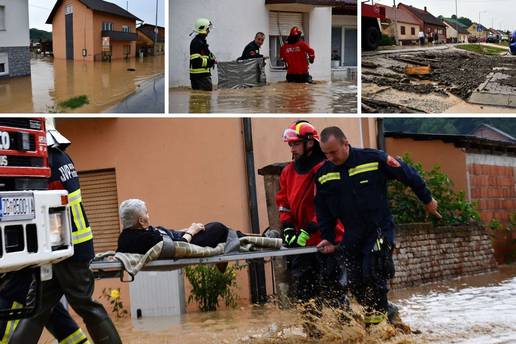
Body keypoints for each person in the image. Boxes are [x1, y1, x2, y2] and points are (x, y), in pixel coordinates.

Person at [314, 126, 441, 326]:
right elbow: (322, 209)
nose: (329, 158)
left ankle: (375, 329)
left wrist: (427, 200)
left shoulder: (373, 159)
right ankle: (388, 314)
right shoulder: (323, 173)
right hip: (352, 235)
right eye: (325, 153)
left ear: (345, 143)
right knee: (355, 284)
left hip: (379, 230)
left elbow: (407, 173)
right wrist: (328, 237)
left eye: (333, 152)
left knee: (373, 274)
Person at [10, 125, 122, 344]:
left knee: (83, 304)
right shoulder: (64, 159)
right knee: (39, 307)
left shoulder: (46, 162)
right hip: (66, 247)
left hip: (65, 249)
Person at [276, 121, 345, 303]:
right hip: (302, 243)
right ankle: (313, 331)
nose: (292, 149)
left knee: (334, 293)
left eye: (296, 144)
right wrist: (288, 227)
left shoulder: (325, 169)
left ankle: (345, 329)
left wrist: (309, 229)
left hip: (327, 241)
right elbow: (284, 203)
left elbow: (329, 206)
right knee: (305, 297)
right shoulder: (287, 172)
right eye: (290, 145)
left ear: (310, 143)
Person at [117, 199, 246, 254]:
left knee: (222, 230)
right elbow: (180, 246)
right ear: (141, 220)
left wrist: (183, 230)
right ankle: (253, 237)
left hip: (178, 235)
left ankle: (244, 236)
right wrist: (191, 231)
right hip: (190, 242)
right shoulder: (147, 236)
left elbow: (120, 250)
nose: (148, 215)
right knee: (218, 227)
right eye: (146, 213)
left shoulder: (125, 237)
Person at [190, 18, 217, 91]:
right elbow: (195, 61)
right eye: (208, 29)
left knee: (200, 99)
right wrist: (210, 62)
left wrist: (213, 59)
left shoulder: (201, 42)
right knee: (206, 99)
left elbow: (205, 55)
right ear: (204, 29)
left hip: (200, 76)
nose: (209, 31)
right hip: (201, 77)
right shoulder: (196, 42)